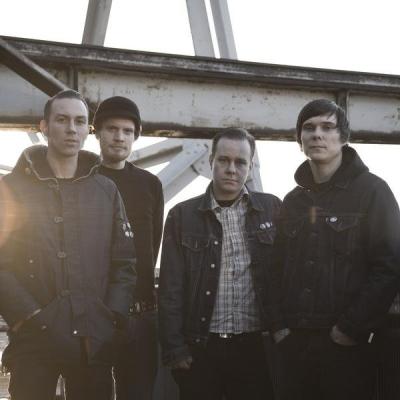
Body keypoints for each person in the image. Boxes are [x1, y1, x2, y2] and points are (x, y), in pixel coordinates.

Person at [0, 89, 136, 400]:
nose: (71, 129)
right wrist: (29, 316)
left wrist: (111, 316)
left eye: (79, 121)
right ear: (44, 126)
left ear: (88, 130)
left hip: (93, 338)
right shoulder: (11, 188)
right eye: (62, 120)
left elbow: (124, 261)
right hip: (33, 340)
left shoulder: (106, 190)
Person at [270, 99, 400, 400]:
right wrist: (279, 327)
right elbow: (275, 268)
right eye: (309, 128)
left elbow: (390, 266)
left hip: (347, 347)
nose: (317, 134)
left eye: (327, 127)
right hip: (294, 345)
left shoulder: (373, 191)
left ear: (343, 137)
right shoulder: (293, 201)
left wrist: (349, 329)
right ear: (299, 140)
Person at [158, 128, 281, 400]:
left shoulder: (272, 208)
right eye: (224, 160)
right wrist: (175, 349)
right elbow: (170, 288)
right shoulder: (182, 216)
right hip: (201, 347)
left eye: (240, 162)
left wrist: (283, 330)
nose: (232, 169)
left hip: (254, 347)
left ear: (250, 166)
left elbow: (287, 276)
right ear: (211, 161)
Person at [93, 96, 164, 400]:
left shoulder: (150, 184)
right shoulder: (83, 181)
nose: (119, 137)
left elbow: (152, 247)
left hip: (141, 316)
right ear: (97, 132)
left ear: (135, 136)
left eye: (127, 131)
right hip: (94, 315)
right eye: (111, 129)